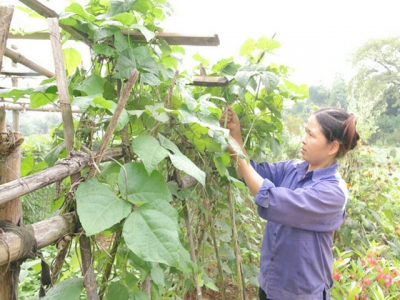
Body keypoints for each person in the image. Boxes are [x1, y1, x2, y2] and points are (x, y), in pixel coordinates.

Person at [220, 106, 360, 300]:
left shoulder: (333, 192)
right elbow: (250, 173)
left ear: (333, 147)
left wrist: (234, 148)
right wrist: (235, 134)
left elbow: (271, 199)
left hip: (300, 294)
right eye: (305, 132)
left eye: (311, 135)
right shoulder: (293, 168)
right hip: (270, 285)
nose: (303, 139)